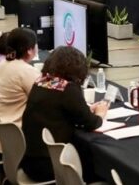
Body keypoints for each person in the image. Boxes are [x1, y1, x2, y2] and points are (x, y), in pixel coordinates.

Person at [21, 46, 108, 182]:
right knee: (92, 160)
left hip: (29, 160)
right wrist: (100, 114)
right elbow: (91, 123)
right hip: (51, 166)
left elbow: (57, 110)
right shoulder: (67, 88)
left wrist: (86, 110)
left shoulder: (41, 81)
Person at [0, 27, 40, 153]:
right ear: (30, 50)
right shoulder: (26, 71)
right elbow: (43, 99)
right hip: (10, 138)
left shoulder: (2, 64)